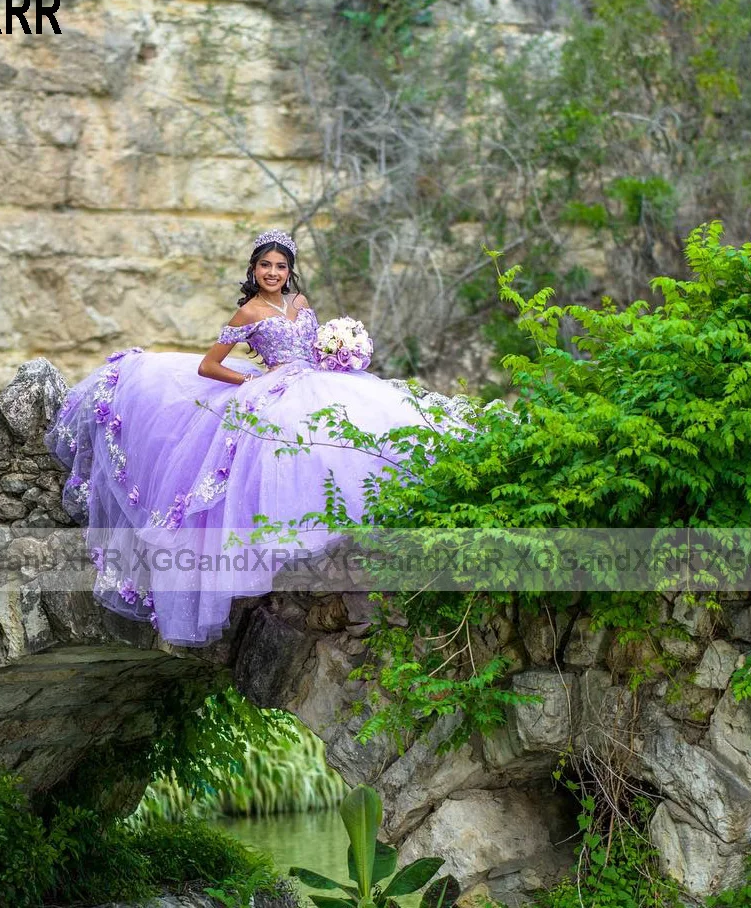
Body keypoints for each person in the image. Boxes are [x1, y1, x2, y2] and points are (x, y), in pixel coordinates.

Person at [45, 229, 473, 646]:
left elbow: (312, 346)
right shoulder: (248, 312)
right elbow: (208, 366)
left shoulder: (301, 302)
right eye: (265, 265)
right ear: (254, 269)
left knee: (362, 427)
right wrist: (250, 380)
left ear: (290, 271)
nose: (273, 272)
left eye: (280, 266)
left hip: (320, 380)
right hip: (275, 386)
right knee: (284, 444)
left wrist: (339, 353)